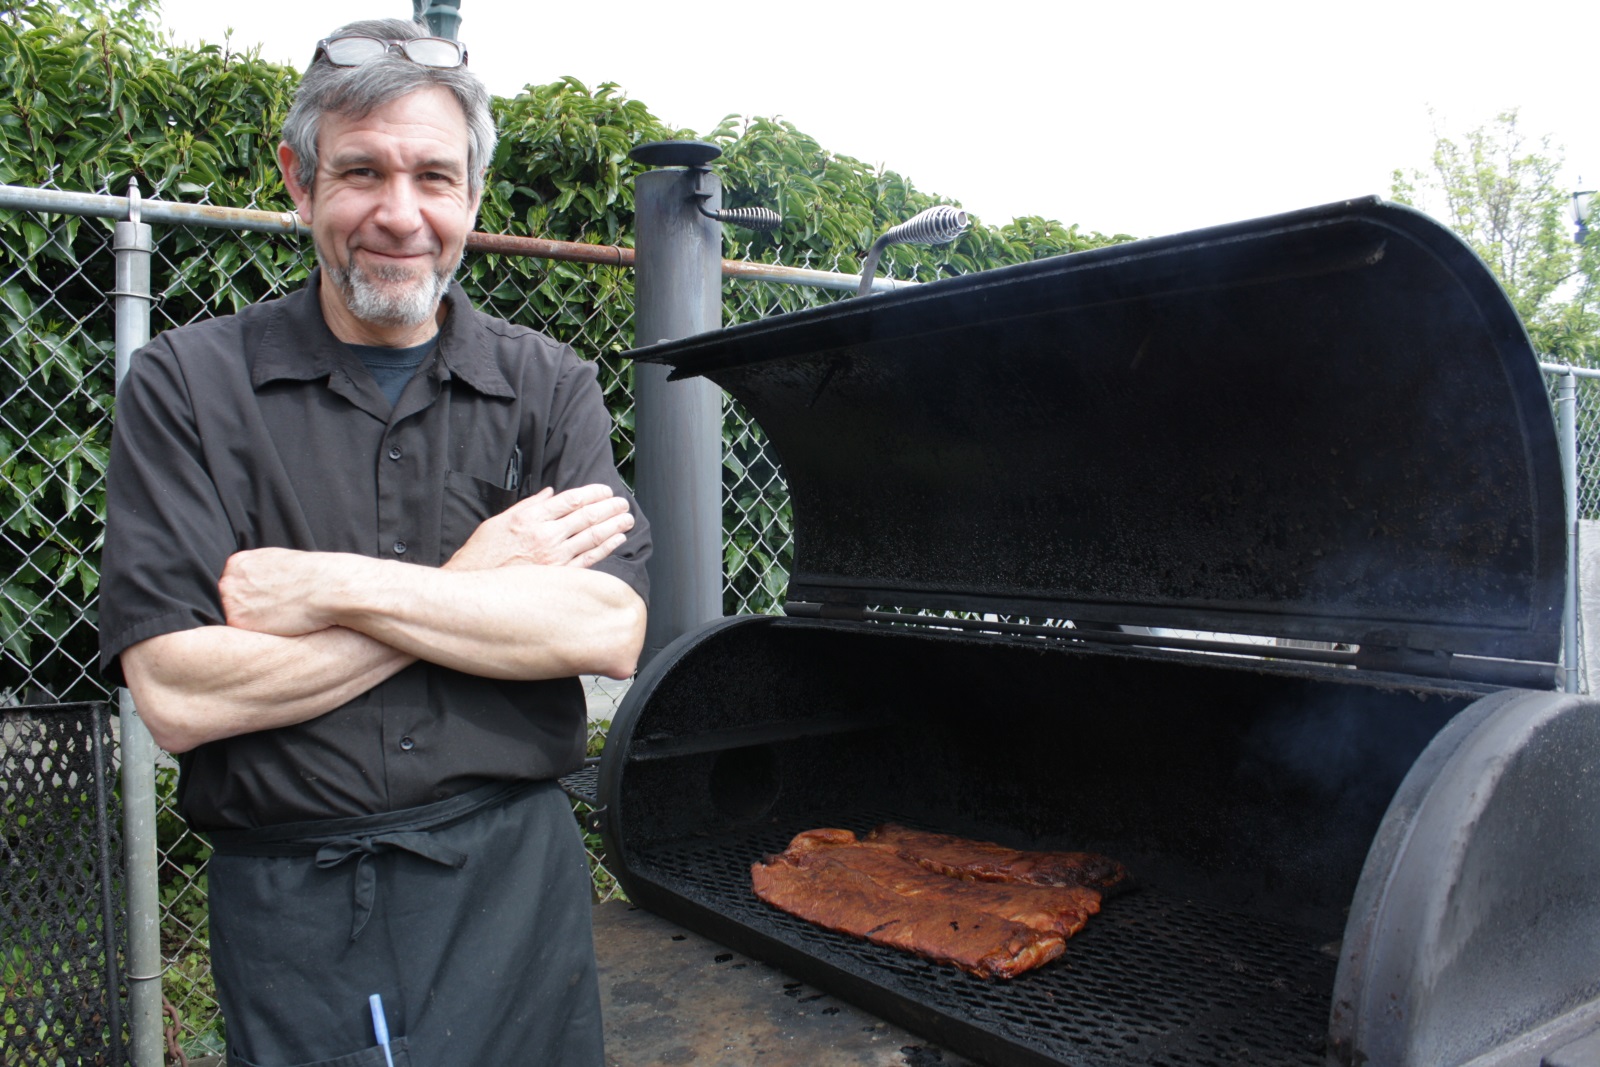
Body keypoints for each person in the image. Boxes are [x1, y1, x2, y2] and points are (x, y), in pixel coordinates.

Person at [98, 17, 649, 1066]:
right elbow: (179, 692)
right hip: (299, 915)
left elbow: (605, 628)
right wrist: (477, 581)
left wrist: (330, 588)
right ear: (300, 181)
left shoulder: (547, 384)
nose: (401, 214)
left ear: (473, 195)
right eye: (361, 172)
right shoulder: (187, 385)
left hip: (517, 894)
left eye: (434, 176)